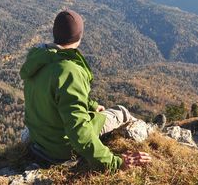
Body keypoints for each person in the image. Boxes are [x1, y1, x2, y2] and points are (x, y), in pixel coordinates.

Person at [20, 9, 151, 171]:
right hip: (61, 150)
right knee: (120, 112)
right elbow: (79, 131)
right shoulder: (69, 71)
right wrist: (116, 163)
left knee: (96, 113)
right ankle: (152, 130)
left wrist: (91, 104)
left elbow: (57, 94)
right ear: (79, 36)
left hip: (39, 140)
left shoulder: (38, 59)